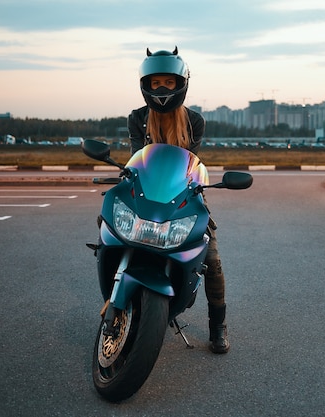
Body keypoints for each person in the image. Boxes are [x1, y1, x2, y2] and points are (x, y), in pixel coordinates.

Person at [127, 47, 230, 354]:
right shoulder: (137, 119)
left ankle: (218, 327)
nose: (161, 89)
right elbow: (135, 160)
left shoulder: (194, 121)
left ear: (180, 83)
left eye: (168, 83)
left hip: (183, 193)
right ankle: (120, 307)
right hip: (146, 194)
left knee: (211, 258)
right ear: (146, 83)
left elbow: (192, 163)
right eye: (156, 82)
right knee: (116, 238)